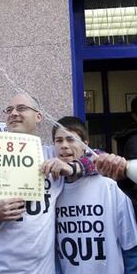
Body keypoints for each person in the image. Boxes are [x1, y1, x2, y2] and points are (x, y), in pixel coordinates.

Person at [0, 93, 94, 274]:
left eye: (21, 108)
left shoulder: (51, 155)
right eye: (9, 110)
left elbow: (97, 159)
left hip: (39, 270)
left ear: (39, 116)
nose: (13, 113)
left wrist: (74, 167)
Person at [53, 116, 137, 273]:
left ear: (85, 144)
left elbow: (130, 248)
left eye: (71, 139)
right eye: (59, 140)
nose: (64, 145)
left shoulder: (110, 185)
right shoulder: (53, 189)